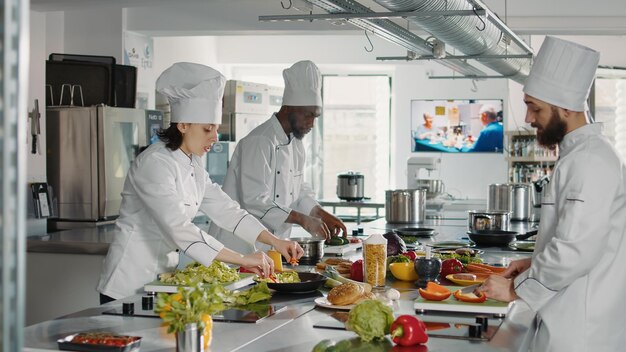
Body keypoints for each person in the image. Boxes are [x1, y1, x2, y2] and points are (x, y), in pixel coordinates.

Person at [97, 62, 303, 303]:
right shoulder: (155, 163)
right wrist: (243, 258)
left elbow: (228, 211)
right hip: (127, 285)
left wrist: (274, 241)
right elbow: (178, 228)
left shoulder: (192, 163)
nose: (215, 137)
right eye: (208, 129)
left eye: (216, 129)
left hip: (162, 281)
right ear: (183, 125)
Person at [479, 37, 626, 351]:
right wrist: (533, 263)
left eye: (535, 107)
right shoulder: (581, 155)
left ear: (566, 108)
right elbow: (582, 236)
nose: (529, 118)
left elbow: (576, 250)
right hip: (569, 318)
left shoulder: (590, 161)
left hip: (580, 331)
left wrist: (514, 289)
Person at [210, 60, 347, 254]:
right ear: (289, 108)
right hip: (238, 245)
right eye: (308, 115)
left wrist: (320, 213)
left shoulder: (297, 144)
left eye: (315, 117)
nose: (312, 124)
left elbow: (298, 190)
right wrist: (302, 219)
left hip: (273, 245)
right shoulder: (260, 141)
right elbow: (255, 199)